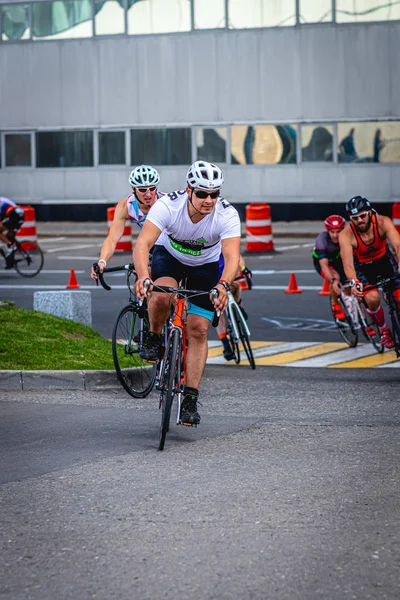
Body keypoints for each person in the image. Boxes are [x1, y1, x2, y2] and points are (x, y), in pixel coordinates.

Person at [133, 160, 241, 425]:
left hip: (205, 265)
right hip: (169, 256)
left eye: (214, 194)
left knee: (199, 330)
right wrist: (144, 276)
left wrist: (223, 284)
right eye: (202, 193)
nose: (209, 200)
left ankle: (190, 399)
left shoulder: (227, 214)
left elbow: (232, 256)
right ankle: (153, 337)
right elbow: (143, 243)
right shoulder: (168, 205)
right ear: (189, 190)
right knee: (160, 294)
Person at [339, 196, 400, 349]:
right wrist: (354, 282)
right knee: (372, 298)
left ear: (370, 213)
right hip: (363, 268)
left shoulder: (382, 222)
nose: (359, 220)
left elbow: (398, 246)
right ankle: (383, 329)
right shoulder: (346, 235)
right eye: (355, 218)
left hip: (385, 261)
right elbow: (347, 263)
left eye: (362, 216)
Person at [91, 165, 163, 281]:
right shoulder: (126, 205)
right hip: (149, 245)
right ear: (133, 189)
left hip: (171, 244)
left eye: (152, 188)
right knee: (140, 279)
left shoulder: (165, 203)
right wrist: (102, 261)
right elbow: (112, 239)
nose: (148, 194)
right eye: (143, 190)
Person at [216, 252, 252, 360]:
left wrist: (244, 268)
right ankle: (226, 345)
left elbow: (237, 255)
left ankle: (238, 306)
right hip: (212, 281)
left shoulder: (224, 242)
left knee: (237, 286)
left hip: (226, 279)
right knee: (217, 311)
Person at [313, 215, 348, 320]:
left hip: (339, 260)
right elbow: (324, 264)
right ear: (327, 231)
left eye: (338, 231)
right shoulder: (322, 240)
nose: (335, 235)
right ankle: (335, 304)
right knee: (336, 277)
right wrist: (333, 281)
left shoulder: (348, 236)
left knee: (350, 284)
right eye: (332, 232)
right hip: (324, 262)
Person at [0, 197, 24, 269]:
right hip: (20, 217)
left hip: (14, 216)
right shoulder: (3, 200)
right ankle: (10, 262)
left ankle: (11, 245)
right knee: (9, 237)